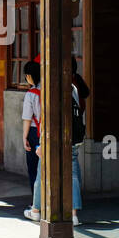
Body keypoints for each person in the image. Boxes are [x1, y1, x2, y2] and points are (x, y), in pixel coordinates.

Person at [26, 74, 83, 227]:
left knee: (41, 172)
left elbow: (46, 119)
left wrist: (42, 144)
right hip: (71, 139)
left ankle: (36, 210)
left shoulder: (49, 91)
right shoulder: (73, 89)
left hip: (52, 141)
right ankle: (73, 214)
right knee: (73, 175)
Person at [20, 61, 41, 203]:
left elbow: (27, 118)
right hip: (47, 132)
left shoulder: (30, 94)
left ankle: (36, 203)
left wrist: (24, 137)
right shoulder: (47, 90)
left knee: (34, 169)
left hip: (34, 133)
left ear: (29, 76)